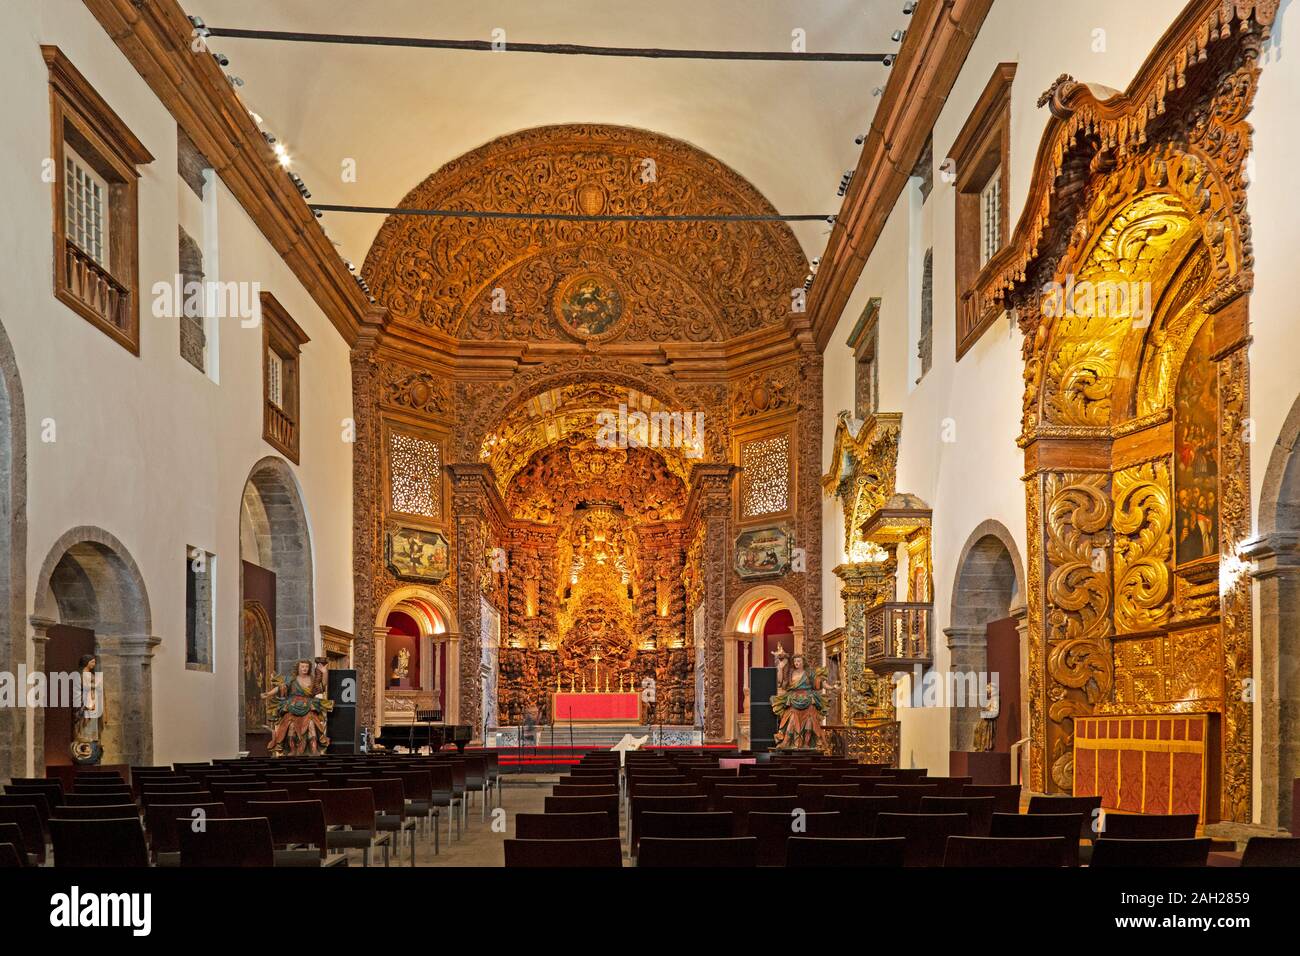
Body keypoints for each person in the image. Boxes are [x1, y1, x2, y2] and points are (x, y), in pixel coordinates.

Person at [263, 657, 333, 756]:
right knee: (290, 726)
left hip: (308, 706)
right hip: (292, 706)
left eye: (307, 667)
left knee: (312, 725)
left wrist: (324, 672)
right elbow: (280, 687)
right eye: (302, 666)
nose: (304, 669)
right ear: (298, 668)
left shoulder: (313, 679)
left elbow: (323, 686)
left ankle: (313, 749)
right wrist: (269, 694)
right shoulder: (291, 679)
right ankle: (292, 749)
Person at [770, 653, 830, 750]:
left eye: (799, 661)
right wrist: (780, 668)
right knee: (791, 720)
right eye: (795, 661)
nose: (796, 663)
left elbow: (820, 683)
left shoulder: (809, 673)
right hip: (793, 699)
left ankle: (807, 744)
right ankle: (786, 742)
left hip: (808, 699)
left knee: (810, 722)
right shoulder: (790, 673)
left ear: (803, 662)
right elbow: (780, 682)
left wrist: (831, 687)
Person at [71, 654, 104, 765]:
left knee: (93, 726)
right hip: (85, 704)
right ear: (86, 662)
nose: (94, 664)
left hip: (93, 704)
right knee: (84, 725)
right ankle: (84, 746)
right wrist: (95, 686)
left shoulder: (91, 675)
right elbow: (81, 688)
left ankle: (93, 745)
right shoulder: (80, 675)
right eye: (92, 662)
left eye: (94, 662)